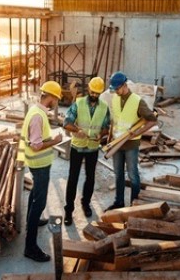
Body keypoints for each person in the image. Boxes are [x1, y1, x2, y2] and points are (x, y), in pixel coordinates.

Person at [21, 80, 63, 262]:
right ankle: (30, 247)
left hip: (37, 163)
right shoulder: (38, 116)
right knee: (40, 201)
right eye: (57, 99)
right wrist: (56, 141)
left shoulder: (36, 110)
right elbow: (36, 145)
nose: (57, 102)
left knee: (35, 195)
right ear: (51, 97)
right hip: (39, 164)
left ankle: (33, 220)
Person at [105, 71, 158, 210]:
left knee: (133, 175)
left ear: (124, 85)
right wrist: (110, 141)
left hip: (130, 144)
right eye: (114, 89)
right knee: (118, 175)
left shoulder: (137, 101)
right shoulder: (115, 98)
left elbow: (152, 120)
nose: (116, 91)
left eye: (117, 89)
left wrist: (137, 132)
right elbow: (114, 121)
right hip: (117, 143)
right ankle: (119, 202)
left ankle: (135, 205)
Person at [63, 76, 111, 226]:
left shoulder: (104, 107)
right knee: (73, 178)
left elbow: (106, 127)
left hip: (92, 148)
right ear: (89, 89)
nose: (95, 95)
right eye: (93, 92)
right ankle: (68, 210)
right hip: (77, 146)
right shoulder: (78, 104)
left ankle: (86, 203)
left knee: (90, 178)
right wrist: (77, 130)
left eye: (98, 93)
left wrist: (101, 134)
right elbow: (66, 123)